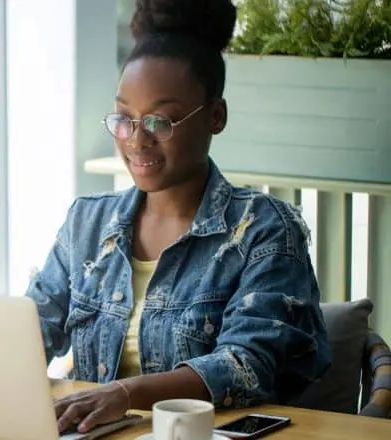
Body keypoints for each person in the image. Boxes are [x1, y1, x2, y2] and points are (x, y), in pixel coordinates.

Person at [24, 0, 331, 434]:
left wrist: (125, 394)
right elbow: (25, 335)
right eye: (125, 119)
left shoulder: (264, 230)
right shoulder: (85, 224)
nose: (136, 139)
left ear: (215, 116)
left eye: (161, 121)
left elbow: (245, 365)